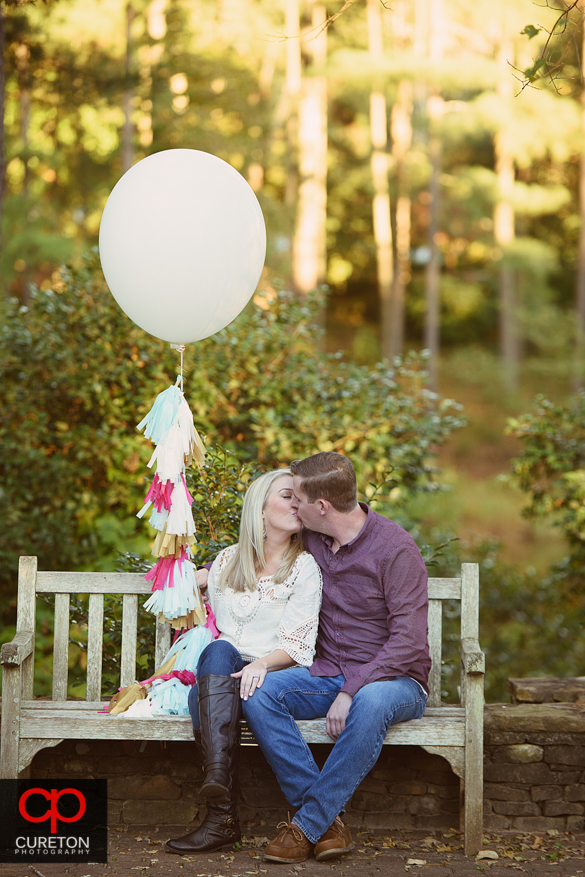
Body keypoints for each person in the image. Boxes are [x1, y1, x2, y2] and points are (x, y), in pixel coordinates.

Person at [242, 451, 430, 864]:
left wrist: (352, 688)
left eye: (299, 500)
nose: (294, 506)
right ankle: (328, 823)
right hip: (327, 672)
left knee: (371, 700)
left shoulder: (395, 550)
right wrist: (204, 571)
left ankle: (305, 826)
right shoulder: (312, 537)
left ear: (321, 507)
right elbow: (259, 552)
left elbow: (410, 642)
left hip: (394, 682)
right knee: (259, 692)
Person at [165, 468, 322, 857]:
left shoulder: (304, 568)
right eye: (287, 495)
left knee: (211, 683)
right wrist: (192, 576)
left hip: (273, 675)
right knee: (217, 652)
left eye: (298, 498)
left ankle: (220, 820)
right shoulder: (226, 561)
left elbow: (299, 646)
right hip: (225, 675)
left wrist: (262, 665)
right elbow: (174, 593)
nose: (296, 504)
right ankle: (219, 799)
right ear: (260, 508)